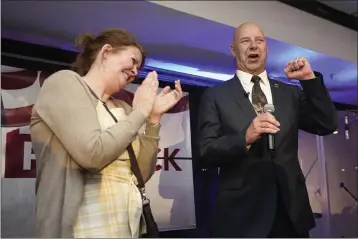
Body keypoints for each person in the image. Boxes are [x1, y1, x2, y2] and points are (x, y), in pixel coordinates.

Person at [30, 28, 183, 238]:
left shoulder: (123, 109)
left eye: (139, 67)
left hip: (126, 228)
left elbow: (140, 174)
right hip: (82, 227)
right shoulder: (65, 83)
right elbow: (91, 154)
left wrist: (153, 118)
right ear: (106, 52)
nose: (135, 71)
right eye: (133, 60)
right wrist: (141, 112)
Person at [197, 22, 337, 238]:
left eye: (259, 40)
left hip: (290, 212)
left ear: (266, 47)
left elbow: (326, 124)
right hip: (242, 217)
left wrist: (309, 80)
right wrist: (245, 137)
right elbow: (206, 151)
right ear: (233, 50)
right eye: (245, 41)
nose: (253, 46)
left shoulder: (289, 94)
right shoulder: (215, 96)